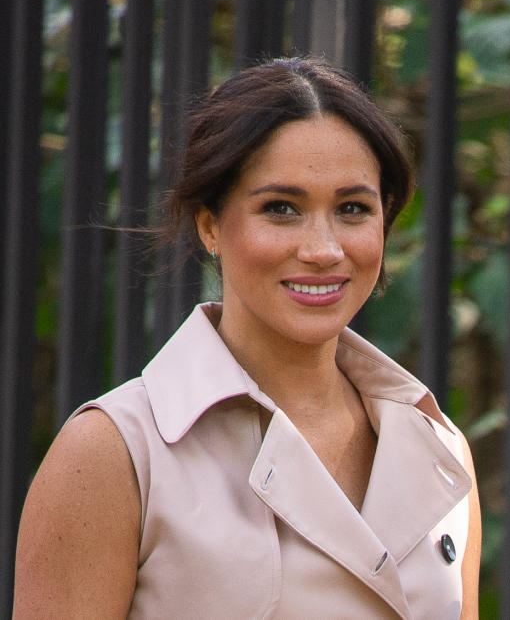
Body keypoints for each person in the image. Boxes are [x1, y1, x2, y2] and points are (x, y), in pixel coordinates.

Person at [14, 58, 482, 618]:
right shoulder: (116, 451)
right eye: (281, 209)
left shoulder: (438, 447)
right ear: (210, 225)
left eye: (353, 209)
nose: (323, 249)